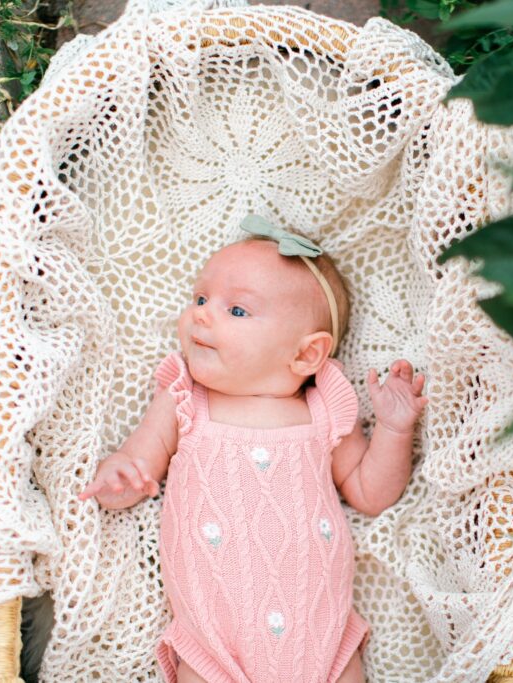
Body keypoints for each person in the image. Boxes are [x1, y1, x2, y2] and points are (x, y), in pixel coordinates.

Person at [79, 215, 427, 683]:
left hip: (321, 641)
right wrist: (119, 476)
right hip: (213, 649)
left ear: (306, 355)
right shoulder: (184, 399)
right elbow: (137, 465)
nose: (202, 313)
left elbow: (371, 492)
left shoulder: (324, 408)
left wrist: (394, 429)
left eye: (236, 311)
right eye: (200, 299)